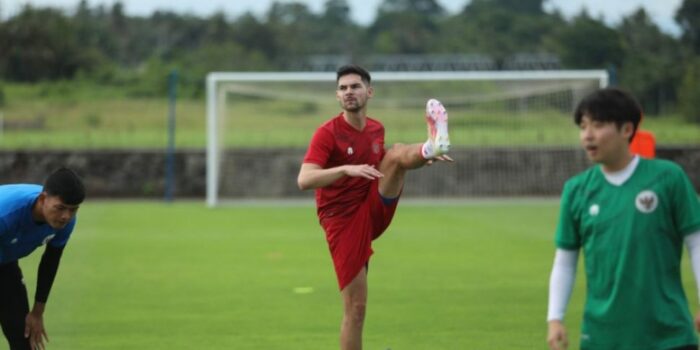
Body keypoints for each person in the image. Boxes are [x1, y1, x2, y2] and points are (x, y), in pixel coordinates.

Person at [297, 64, 452, 350]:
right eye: (343, 88)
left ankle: (432, 147)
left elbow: (387, 165)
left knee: (395, 154)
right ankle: (430, 146)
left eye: (355, 86)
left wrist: (419, 160)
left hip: (372, 205)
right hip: (342, 221)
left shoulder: (376, 128)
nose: (349, 92)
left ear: (369, 92)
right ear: (337, 96)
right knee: (356, 309)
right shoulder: (327, 133)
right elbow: (304, 179)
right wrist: (346, 169)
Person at [546, 88, 700, 350]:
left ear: (627, 129)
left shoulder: (669, 178)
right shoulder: (577, 190)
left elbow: (696, 244)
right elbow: (566, 261)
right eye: (583, 126)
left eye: (598, 124)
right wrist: (555, 318)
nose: (588, 135)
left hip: (669, 334)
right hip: (602, 336)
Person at [0, 167, 86, 350]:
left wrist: (37, 312)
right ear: (42, 199)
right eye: (60, 208)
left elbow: (51, 261)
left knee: (23, 336)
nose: (66, 216)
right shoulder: (5, 214)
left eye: (73, 210)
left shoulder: (66, 223)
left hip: (4, 263)